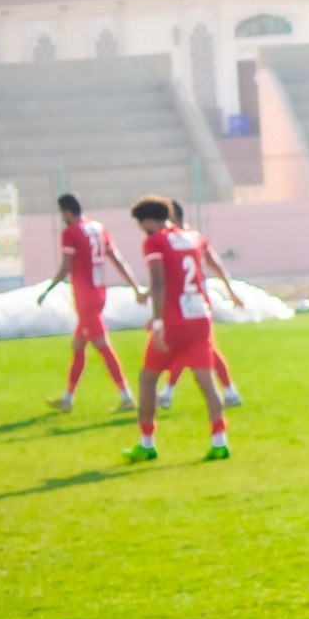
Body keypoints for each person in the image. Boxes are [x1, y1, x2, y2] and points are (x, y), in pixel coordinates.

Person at [123, 195, 229, 463]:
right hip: (200, 317)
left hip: (173, 321)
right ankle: (219, 441)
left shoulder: (155, 241)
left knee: (148, 380)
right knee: (207, 382)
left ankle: (146, 444)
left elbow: (158, 282)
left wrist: (158, 322)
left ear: (148, 220)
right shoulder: (192, 237)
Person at [38, 193, 140, 413]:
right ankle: (67, 399)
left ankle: (127, 396)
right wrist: (135, 286)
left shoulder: (71, 232)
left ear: (66, 212)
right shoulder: (98, 228)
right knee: (78, 346)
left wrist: (48, 289)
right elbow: (117, 260)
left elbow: (66, 265)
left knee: (102, 345)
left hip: (85, 298)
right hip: (99, 293)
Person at [157, 199, 243, 410]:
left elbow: (165, 277)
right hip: (198, 303)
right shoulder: (196, 238)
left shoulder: (172, 241)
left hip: (184, 305)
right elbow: (217, 265)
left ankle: (168, 392)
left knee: (185, 349)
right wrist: (231, 291)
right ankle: (229, 392)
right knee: (201, 349)